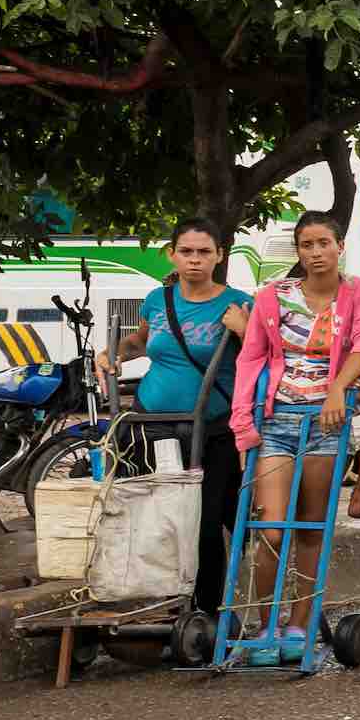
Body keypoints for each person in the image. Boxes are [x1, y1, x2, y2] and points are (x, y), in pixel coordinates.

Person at [228, 212, 360, 665]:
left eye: (323, 243)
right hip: (277, 423)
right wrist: (243, 424)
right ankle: (266, 626)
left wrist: (338, 389)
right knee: (271, 530)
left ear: (339, 247)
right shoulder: (273, 296)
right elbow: (250, 359)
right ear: (297, 251)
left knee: (312, 528)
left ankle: (299, 623)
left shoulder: (358, 292)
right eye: (306, 245)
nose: (315, 253)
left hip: (327, 425)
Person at [95, 218, 249, 618]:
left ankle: (207, 611)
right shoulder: (157, 299)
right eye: (186, 251)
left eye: (204, 252)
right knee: (157, 517)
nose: (194, 260)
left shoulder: (237, 303)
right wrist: (112, 353)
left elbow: (261, 356)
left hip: (211, 427)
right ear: (172, 255)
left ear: (219, 256)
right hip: (151, 424)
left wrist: (245, 330)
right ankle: (170, 600)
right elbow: (141, 341)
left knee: (204, 521)